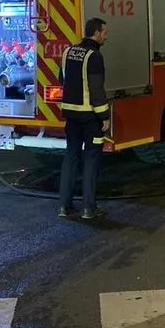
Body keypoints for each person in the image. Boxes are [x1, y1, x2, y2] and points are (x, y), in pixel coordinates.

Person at [58, 17, 111, 220]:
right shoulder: (94, 56)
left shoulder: (68, 52)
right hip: (90, 118)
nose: (106, 36)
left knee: (71, 158)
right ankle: (89, 208)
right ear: (96, 33)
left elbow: (62, 79)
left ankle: (64, 206)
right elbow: (97, 89)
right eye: (104, 32)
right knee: (91, 160)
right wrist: (104, 116)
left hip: (71, 116)